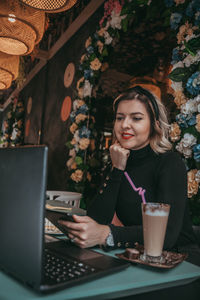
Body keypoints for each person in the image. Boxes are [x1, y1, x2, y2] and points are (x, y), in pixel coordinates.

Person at [59, 85, 200, 267]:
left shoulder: (169, 162)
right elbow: (96, 221)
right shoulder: (118, 161)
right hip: (137, 256)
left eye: (136, 118)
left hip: (179, 261)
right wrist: (117, 169)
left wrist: (107, 234)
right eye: (120, 118)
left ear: (155, 124)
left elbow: (167, 235)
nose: (125, 124)